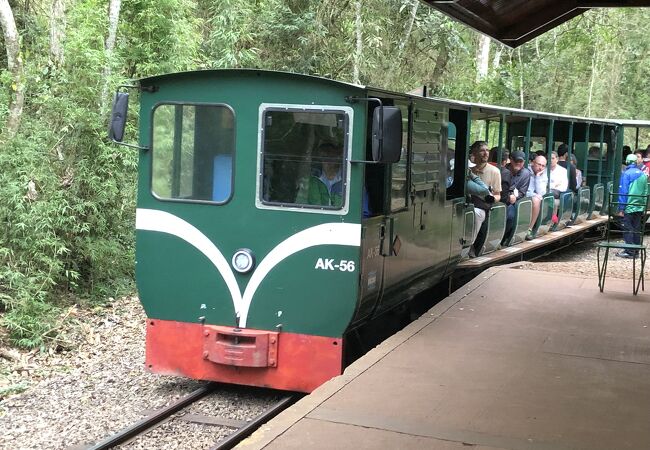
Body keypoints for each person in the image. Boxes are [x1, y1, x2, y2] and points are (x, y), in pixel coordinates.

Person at [469, 141, 501, 256]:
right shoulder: (469, 169)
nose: (485, 153)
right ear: (474, 153)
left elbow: (498, 194)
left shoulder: (494, 171)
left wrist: (491, 198)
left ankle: (470, 246)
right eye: (482, 150)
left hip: (483, 206)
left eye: (487, 150)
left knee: (478, 214)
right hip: (468, 204)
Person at [616, 153, 649, 258]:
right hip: (639, 206)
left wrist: (621, 208)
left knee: (627, 228)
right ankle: (636, 250)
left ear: (627, 162)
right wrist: (643, 205)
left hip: (629, 206)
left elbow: (623, 191)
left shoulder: (626, 174)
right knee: (636, 228)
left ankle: (629, 251)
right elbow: (645, 191)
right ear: (635, 162)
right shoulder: (643, 175)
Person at [500, 151, 531, 245]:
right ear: (511, 160)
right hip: (501, 197)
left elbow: (522, 192)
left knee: (510, 216)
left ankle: (504, 238)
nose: (518, 163)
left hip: (513, 201)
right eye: (516, 161)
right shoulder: (504, 170)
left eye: (521, 161)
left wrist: (515, 197)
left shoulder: (526, 173)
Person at [300, 142, 343, 207]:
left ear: (338, 157)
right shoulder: (309, 180)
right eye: (324, 157)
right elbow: (300, 204)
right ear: (319, 159)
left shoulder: (348, 177)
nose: (328, 160)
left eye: (331, 156)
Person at [525, 155, 548, 240]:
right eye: (539, 164)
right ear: (533, 163)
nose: (540, 167)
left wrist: (538, 177)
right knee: (536, 200)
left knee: (538, 200)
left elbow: (541, 192)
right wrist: (534, 195)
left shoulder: (543, 173)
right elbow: (526, 191)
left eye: (543, 165)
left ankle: (530, 229)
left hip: (535, 198)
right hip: (524, 196)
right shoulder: (526, 171)